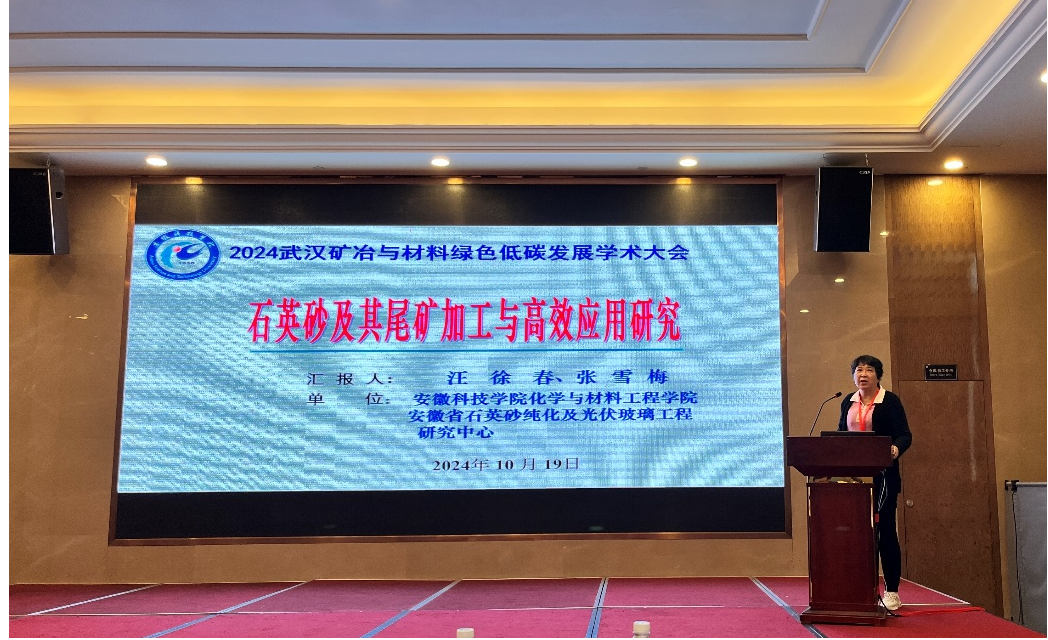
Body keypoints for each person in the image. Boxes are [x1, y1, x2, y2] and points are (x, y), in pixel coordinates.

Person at [838, 354, 912, 611]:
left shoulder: (889, 401)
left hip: (883, 476)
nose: (863, 374)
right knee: (856, 534)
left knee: (885, 531)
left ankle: (891, 591)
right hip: (854, 478)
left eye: (869, 370)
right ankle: (858, 587)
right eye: (859, 370)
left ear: (878, 375)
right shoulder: (848, 401)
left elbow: (905, 435)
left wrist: (894, 449)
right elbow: (840, 435)